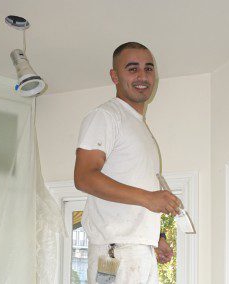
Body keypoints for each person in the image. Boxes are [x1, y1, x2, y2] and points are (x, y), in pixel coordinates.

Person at [74, 42, 181, 284]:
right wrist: (150, 198)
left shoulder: (138, 126)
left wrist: (156, 236)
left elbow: (137, 187)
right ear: (114, 75)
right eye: (132, 69)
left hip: (136, 251)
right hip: (114, 254)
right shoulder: (106, 116)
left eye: (149, 68)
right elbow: (84, 177)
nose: (143, 76)